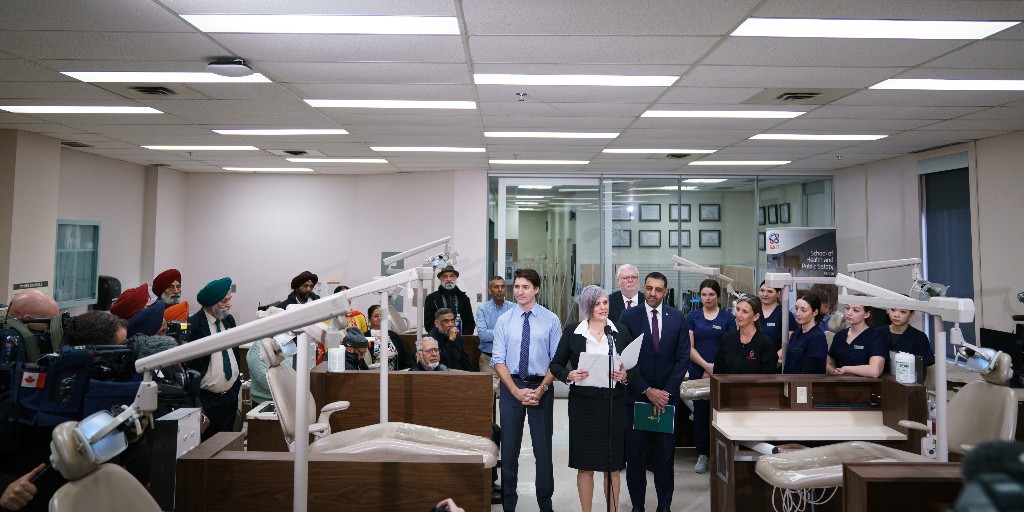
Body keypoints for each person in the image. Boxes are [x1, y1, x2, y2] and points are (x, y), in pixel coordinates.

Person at [549, 285, 632, 512]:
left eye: (605, 303)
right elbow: (555, 365)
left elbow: (635, 366)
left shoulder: (620, 332)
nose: (603, 307)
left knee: (612, 466)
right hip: (583, 406)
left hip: (612, 404)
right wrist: (569, 375)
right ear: (587, 306)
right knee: (585, 466)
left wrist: (625, 375)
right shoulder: (573, 332)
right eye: (597, 304)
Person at [618, 272, 690, 512]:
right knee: (636, 458)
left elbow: (682, 360)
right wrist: (647, 390)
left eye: (658, 289)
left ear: (665, 292)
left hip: (667, 402)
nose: (652, 293)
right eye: (649, 288)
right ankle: (637, 506)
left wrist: (665, 394)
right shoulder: (629, 316)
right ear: (643, 289)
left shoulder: (678, 318)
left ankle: (664, 506)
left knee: (664, 458)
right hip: (638, 399)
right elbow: (625, 360)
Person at [491, 268, 561, 512]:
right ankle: (509, 504)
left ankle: (545, 505)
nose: (519, 291)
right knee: (509, 452)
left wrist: (540, 389)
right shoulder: (504, 320)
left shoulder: (551, 320)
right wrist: (515, 390)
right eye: (517, 287)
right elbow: (498, 360)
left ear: (536, 289)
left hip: (542, 387)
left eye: (525, 287)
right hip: (512, 388)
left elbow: (557, 362)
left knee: (543, 452)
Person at [685, 278, 735, 474]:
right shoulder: (693, 317)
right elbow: (689, 347)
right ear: (700, 295)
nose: (707, 298)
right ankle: (703, 454)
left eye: (711, 294)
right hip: (699, 371)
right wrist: (706, 366)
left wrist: (715, 368)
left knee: (721, 414)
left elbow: (730, 346)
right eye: (704, 294)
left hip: (721, 372)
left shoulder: (728, 318)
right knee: (700, 415)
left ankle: (721, 454)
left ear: (718, 296)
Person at [187, 277, 241, 441]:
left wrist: (235, 388)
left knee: (226, 445)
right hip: (206, 401)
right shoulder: (194, 325)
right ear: (210, 303)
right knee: (206, 449)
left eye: (229, 299)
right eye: (224, 301)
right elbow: (189, 367)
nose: (229, 305)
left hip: (229, 398)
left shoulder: (228, 320)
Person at [715, 297, 778, 374]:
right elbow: (718, 371)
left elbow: (768, 378)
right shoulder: (727, 339)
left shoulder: (766, 343)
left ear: (756, 317)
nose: (739, 314)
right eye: (738, 309)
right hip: (727, 385)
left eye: (745, 312)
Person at [828, 304, 886, 377]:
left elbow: (875, 371)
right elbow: (830, 364)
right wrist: (834, 371)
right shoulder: (839, 336)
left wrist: (846, 369)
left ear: (866, 314)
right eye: (847, 308)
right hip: (838, 382)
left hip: (863, 385)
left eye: (855, 310)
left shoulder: (875, 337)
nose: (849, 313)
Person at [475, 276, 514, 376]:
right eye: (496, 287)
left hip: (509, 359)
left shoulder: (514, 308)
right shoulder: (482, 309)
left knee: (510, 390)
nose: (500, 290)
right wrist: (505, 333)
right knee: (489, 390)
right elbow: (483, 335)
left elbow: (515, 333)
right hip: (488, 359)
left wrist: (493, 333)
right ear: (489, 290)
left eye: (502, 287)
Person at [878, 308, 934, 374]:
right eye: (893, 310)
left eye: (903, 312)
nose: (896, 315)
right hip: (879, 381)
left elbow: (921, 371)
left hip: (908, 381)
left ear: (911, 314)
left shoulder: (919, 337)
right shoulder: (878, 333)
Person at [422, 265, 475, 335]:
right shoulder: (431, 299)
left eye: (451, 276)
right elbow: (428, 324)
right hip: (439, 340)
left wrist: (461, 336)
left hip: (460, 339)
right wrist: (442, 336)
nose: (448, 279)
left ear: (455, 278)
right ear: (440, 279)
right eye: (445, 276)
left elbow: (470, 323)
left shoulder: (464, 299)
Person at [783, 294, 829, 374]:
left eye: (803, 310)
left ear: (815, 312)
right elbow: (788, 364)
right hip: (791, 382)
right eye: (796, 309)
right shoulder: (796, 334)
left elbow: (810, 370)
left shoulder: (817, 337)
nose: (798, 313)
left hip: (806, 384)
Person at [364, 304, 412, 370]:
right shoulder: (365, 337)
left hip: (396, 372)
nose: (379, 318)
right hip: (375, 374)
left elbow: (403, 355)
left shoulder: (393, 335)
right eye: (376, 316)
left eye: (382, 316)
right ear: (369, 319)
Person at [758, 280, 796, 357]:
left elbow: (791, 342)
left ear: (778, 293)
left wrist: (773, 359)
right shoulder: (753, 311)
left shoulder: (785, 314)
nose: (765, 294)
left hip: (774, 362)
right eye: (762, 290)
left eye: (770, 291)